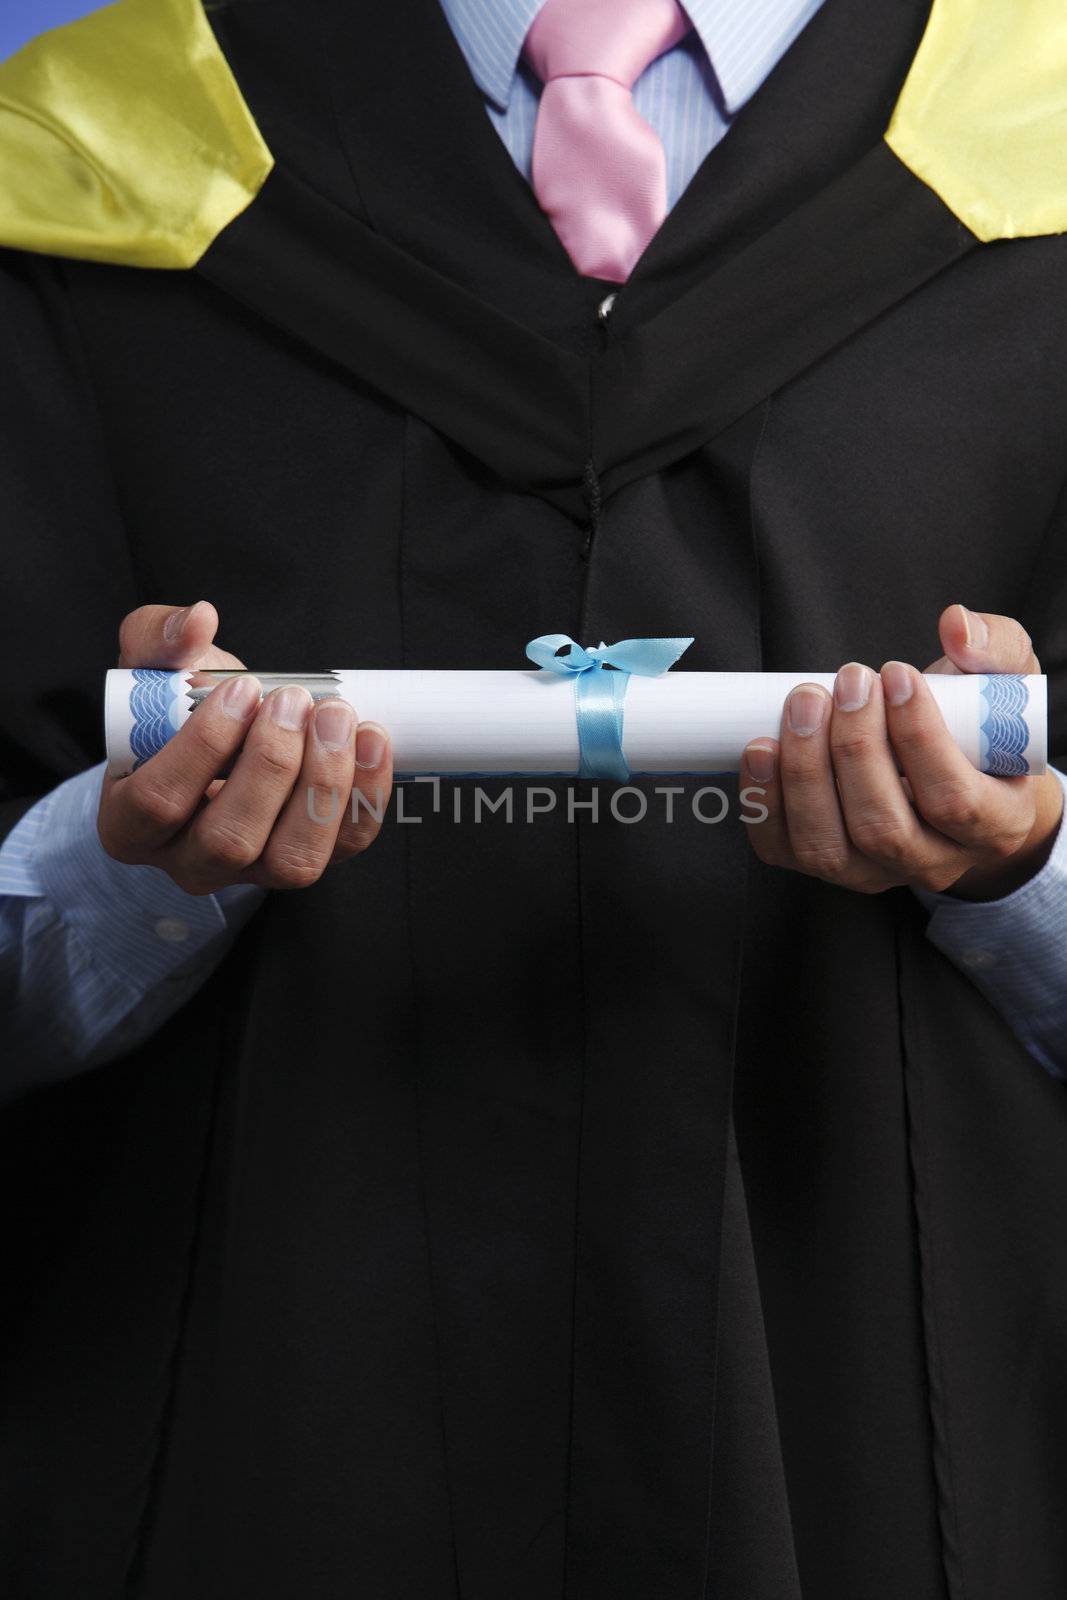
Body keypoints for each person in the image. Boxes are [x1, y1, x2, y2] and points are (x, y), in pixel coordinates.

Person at [2, 0, 1067, 1595]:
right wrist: (128, 870)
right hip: (249, 1454)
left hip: (903, 1461)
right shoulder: (86, 166)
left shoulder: (1030, 146)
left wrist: (1026, 871)